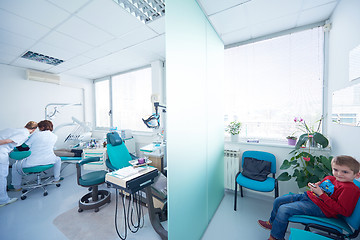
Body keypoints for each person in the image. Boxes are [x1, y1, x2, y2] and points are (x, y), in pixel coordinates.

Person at [258, 155, 360, 240]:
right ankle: (272, 223)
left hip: (321, 208)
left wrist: (321, 194)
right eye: (335, 170)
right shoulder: (331, 178)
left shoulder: (350, 189)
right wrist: (316, 186)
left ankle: (276, 237)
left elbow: (344, 211)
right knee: (279, 200)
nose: (339, 174)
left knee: (284, 209)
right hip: (309, 197)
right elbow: (326, 190)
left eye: (345, 172)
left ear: (356, 175)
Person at [10, 120, 62, 191]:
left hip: (33, 162)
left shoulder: (36, 134)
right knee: (58, 159)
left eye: (40, 127)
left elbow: (24, 147)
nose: (39, 129)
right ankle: (57, 179)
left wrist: (15, 145)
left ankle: (17, 187)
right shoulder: (55, 136)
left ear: (43, 127)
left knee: (15, 166)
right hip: (49, 161)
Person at [0, 121, 38, 207]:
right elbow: (7, 141)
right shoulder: (24, 133)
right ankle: (3, 200)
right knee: (2, 176)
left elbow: (16, 144)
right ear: (34, 129)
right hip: (1, 153)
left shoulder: (15, 130)